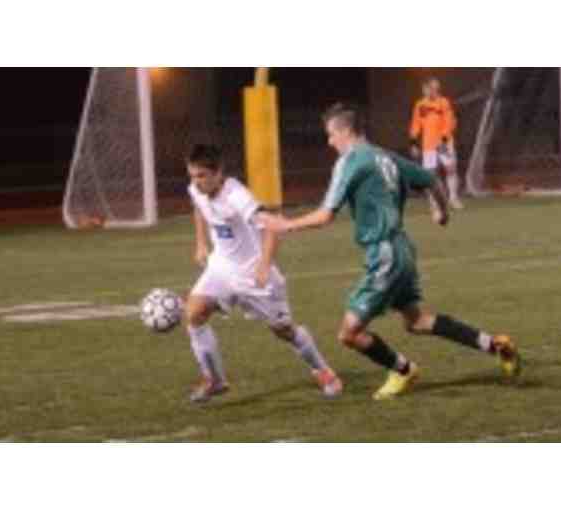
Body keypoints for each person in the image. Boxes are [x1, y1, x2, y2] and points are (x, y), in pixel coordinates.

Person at [260, 103, 520, 400]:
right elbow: (431, 180)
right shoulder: (386, 156)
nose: (329, 141)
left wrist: (286, 225)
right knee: (417, 321)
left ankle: (403, 369)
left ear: (346, 131)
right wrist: (441, 212)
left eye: (331, 134)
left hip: (385, 254)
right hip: (402, 249)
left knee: (349, 333)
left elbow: (325, 215)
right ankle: (494, 344)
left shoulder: (351, 161)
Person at [183, 143, 342, 403]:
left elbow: (271, 225)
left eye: (202, 175)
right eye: (192, 176)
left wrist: (265, 265)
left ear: (218, 172)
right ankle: (215, 380)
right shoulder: (197, 189)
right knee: (194, 314)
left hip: (253, 275)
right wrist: (201, 242)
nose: (196, 182)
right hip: (220, 268)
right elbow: (199, 207)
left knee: (284, 331)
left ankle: (322, 370)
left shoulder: (237, 196)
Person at [410, 77, 464, 210]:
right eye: (427, 89)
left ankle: (453, 198)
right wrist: (413, 143)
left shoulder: (443, 103)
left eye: (434, 88)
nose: (430, 91)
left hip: (442, 144)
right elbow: (416, 124)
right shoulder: (420, 105)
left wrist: (444, 140)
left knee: (450, 168)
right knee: (430, 174)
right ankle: (435, 201)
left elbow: (449, 121)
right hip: (428, 145)